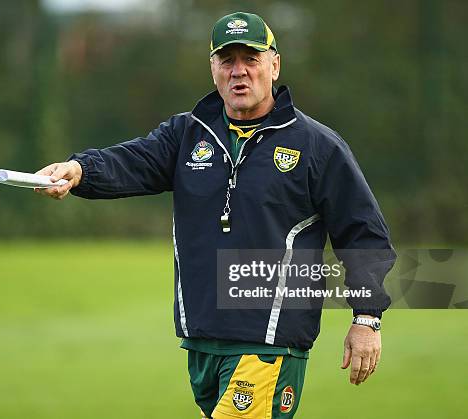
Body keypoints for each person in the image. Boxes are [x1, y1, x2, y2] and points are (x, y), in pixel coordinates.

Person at [34, 11, 396, 419]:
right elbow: (133, 160)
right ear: (213, 69)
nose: (238, 72)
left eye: (251, 59)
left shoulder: (317, 146)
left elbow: (364, 233)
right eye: (227, 60)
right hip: (202, 342)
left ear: (274, 65)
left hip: (268, 345)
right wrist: (79, 170)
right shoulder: (187, 134)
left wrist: (367, 318)